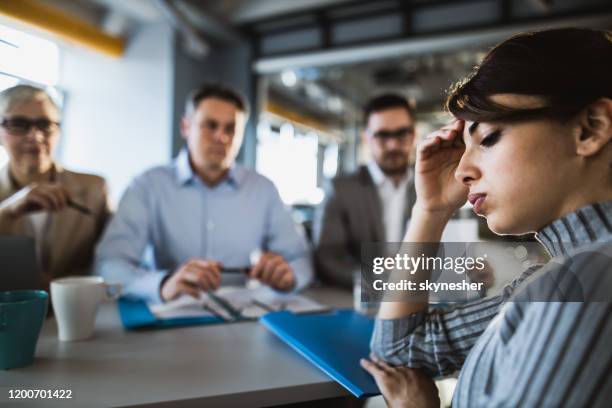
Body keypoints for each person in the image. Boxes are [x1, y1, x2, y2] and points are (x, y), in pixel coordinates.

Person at [360, 28, 612, 407]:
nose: (462, 169)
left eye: (490, 137)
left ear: (590, 128)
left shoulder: (588, 285)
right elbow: (398, 351)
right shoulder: (555, 280)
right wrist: (430, 209)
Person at [95, 84, 312, 303]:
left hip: (242, 317)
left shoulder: (264, 190)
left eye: (230, 128)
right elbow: (110, 264)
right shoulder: (147, 185)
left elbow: (300, 259)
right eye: (211, 125)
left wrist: (288, 277)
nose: (222, 137)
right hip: (170, 315)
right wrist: (161, 285)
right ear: (185, 126)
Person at [0, 85, 111, 289]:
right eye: (18, 124)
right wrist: (6, 212)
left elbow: (114, 258)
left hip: (78, 308)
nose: (35, 136)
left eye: (45, 124)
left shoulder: (94, 189)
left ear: (58, 131)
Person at [314, 94, 417, 289]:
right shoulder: (341, 189)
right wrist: (378, 278)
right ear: (366, 138)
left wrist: (465, 274)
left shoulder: (431, 188)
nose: (393, 145)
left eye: (402, 133)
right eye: (382, 135)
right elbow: (326, 258)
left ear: (413, 135)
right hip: (359, 302)